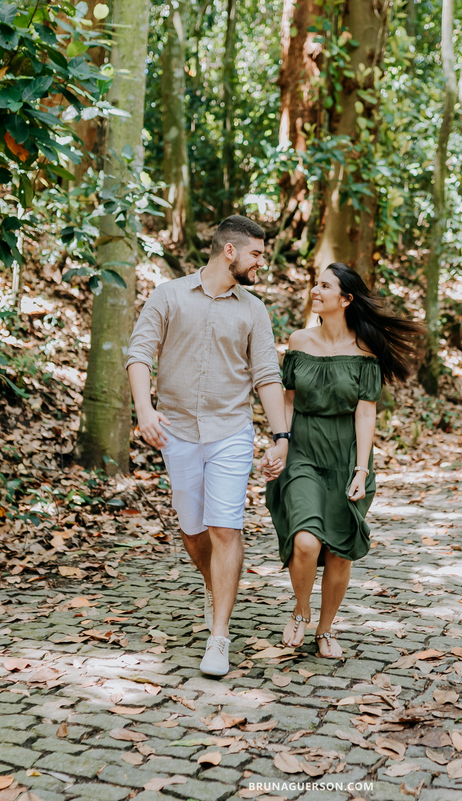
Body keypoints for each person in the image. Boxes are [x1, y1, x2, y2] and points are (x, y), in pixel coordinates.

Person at [126, 215, 290, 677]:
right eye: (257, 253)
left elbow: (266, 377)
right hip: (176, 430)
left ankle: (219, 635)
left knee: (225, 528)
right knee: (193, 530)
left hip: (231, 432)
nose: (263, 261)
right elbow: (139, 353)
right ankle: (214, 586)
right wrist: (144, 409)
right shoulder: (169, 295)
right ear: (230, 252)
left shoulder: (254, 309)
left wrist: (281, 438)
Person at [265, 263, 423, 658]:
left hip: (348, 456)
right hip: (303, 451)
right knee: (305, 541)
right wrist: (280, 444)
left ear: (346, 299)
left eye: (324, 286)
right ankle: (300, 611)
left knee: (338, 549)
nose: (314, 290)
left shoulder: (364, 350)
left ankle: (325, 630)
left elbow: (365, 412)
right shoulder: (299, 341)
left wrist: (362, 469)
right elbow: (287, 399)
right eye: (316, 284)